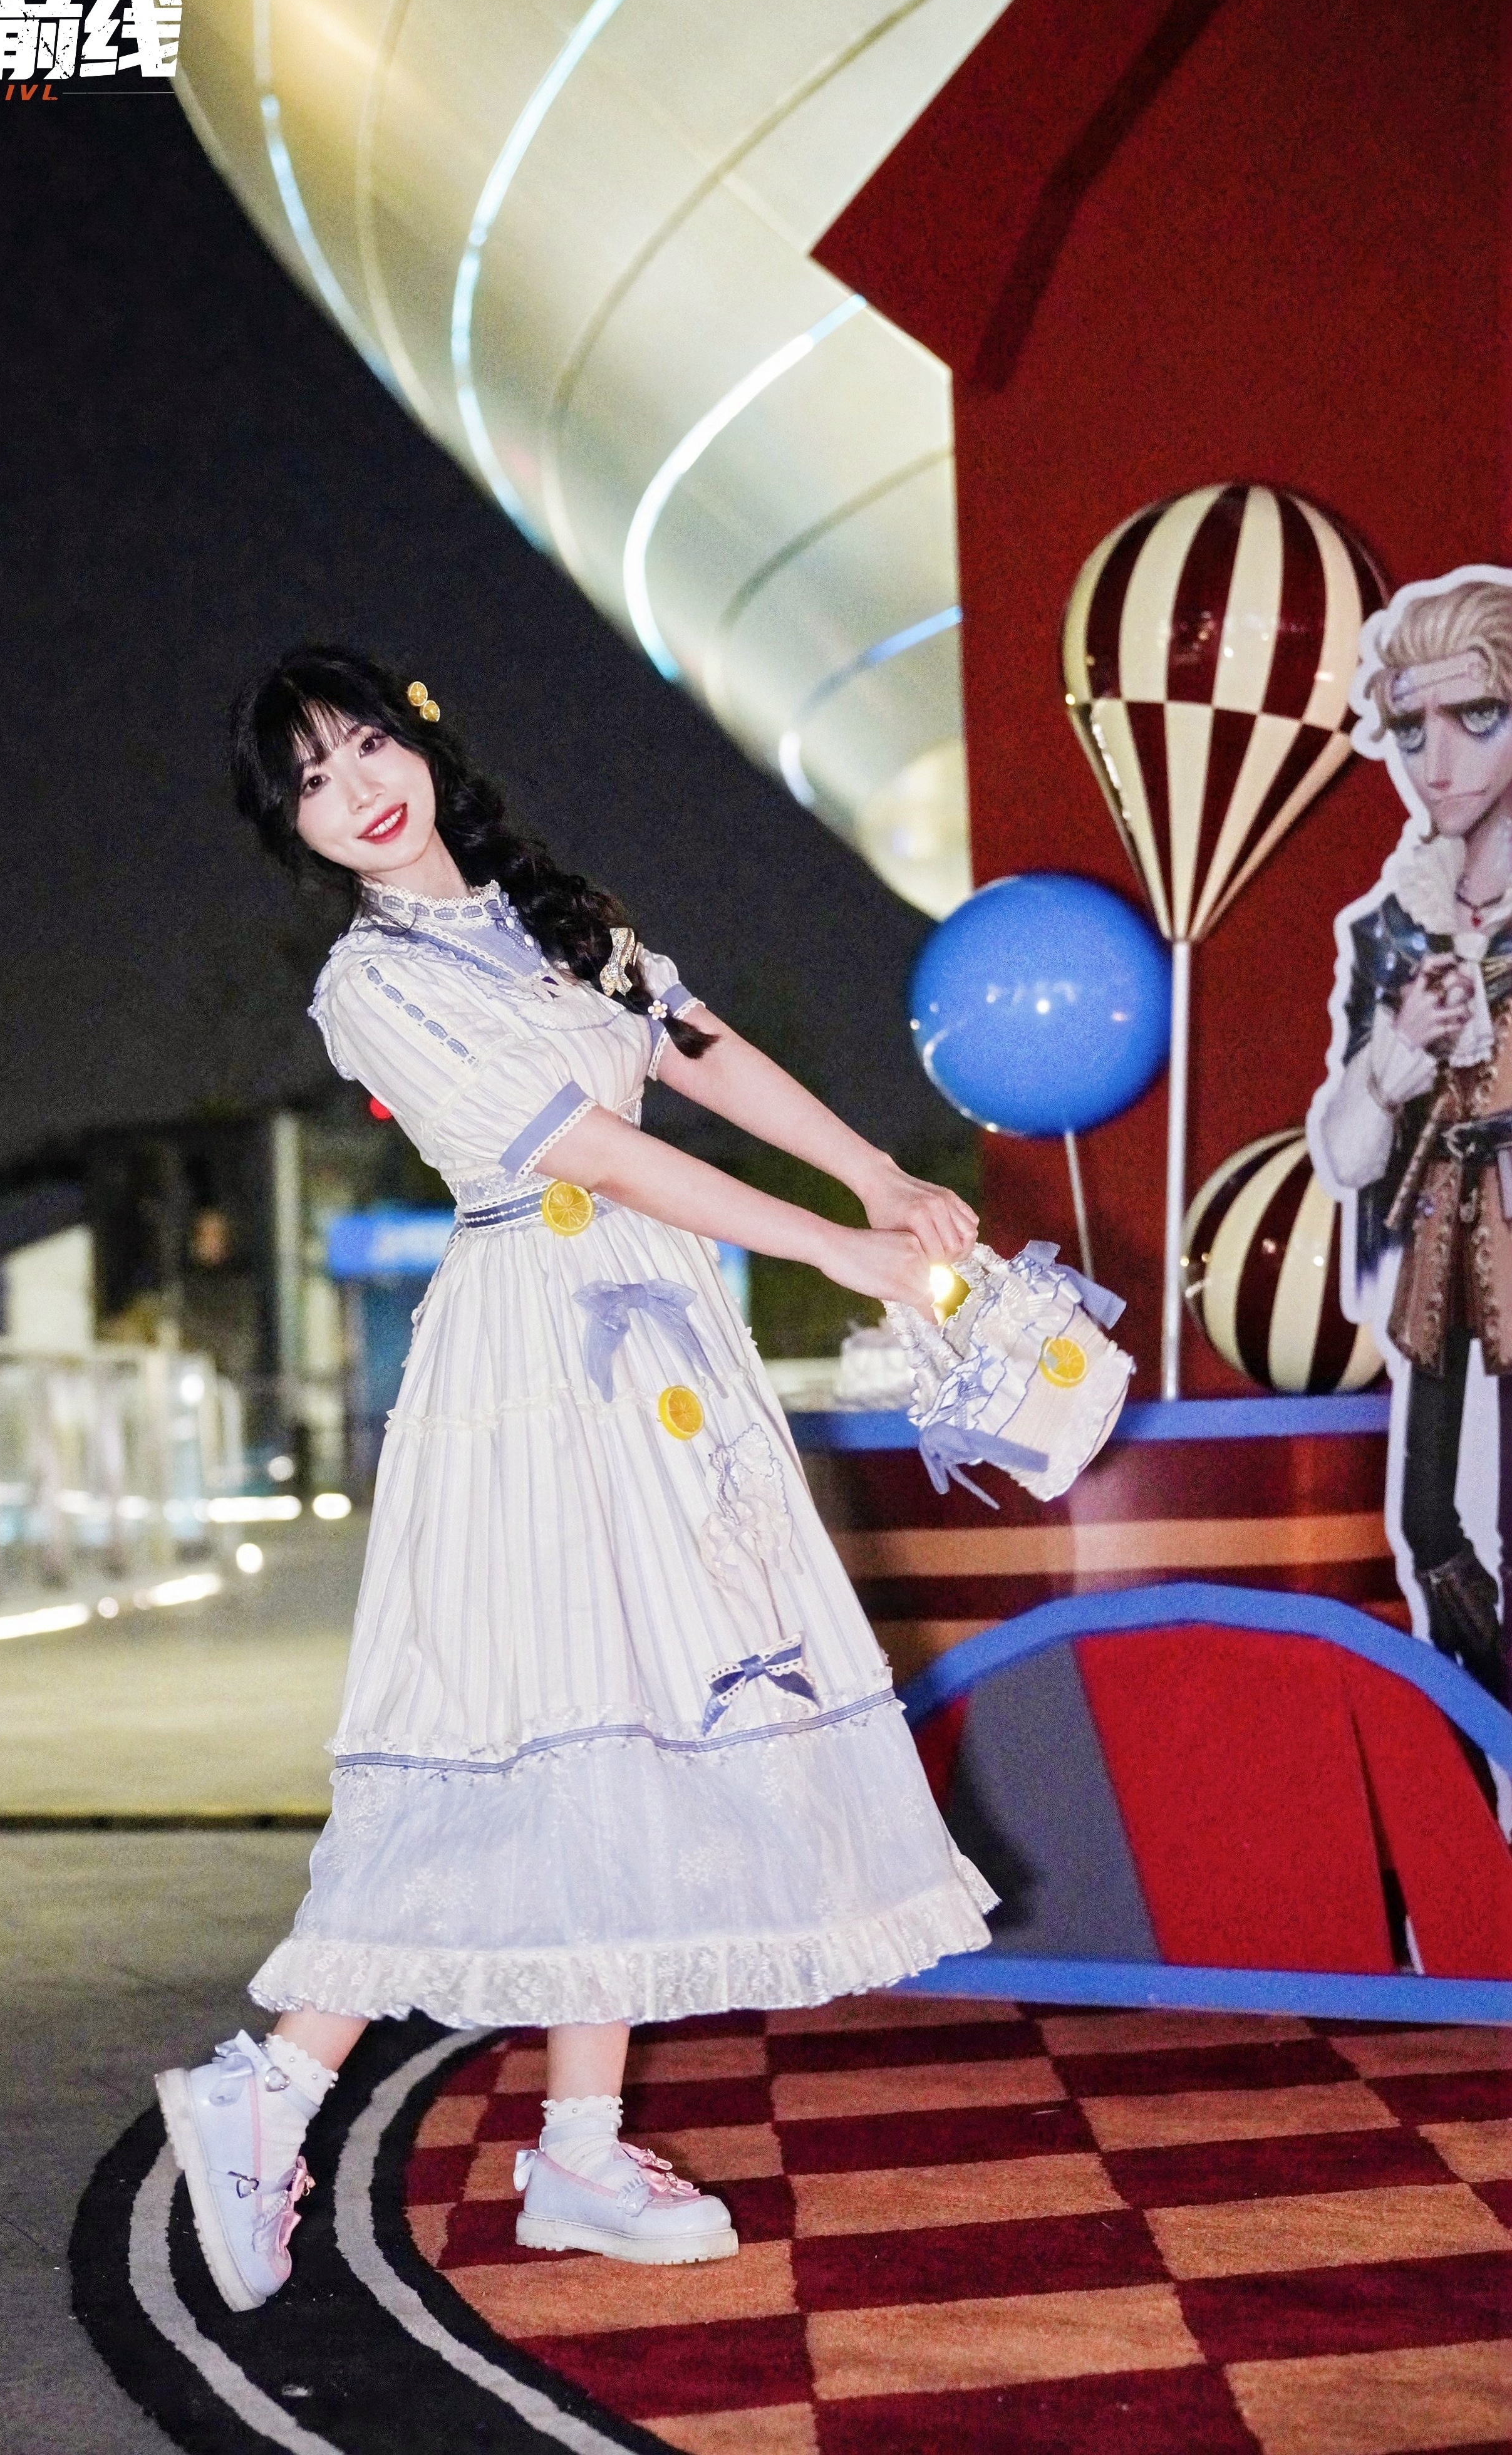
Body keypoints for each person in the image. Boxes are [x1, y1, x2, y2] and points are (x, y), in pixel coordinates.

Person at [155, 646, 997, 2310]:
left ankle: (579, 2150)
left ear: (420, 737)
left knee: (633, 1715)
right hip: (535, 1354)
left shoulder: (551, 910)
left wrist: (877, 1173)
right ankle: (275, 2083)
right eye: (311, 781)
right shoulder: (368, 982)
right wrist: (835, 1246)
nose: (356, 790)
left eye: (365, 745)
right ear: (292, 827)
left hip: (648, 1338)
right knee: (517, 1708)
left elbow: (696, 1044)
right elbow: (592, 1148)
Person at [1314, 574, 1512, 1713]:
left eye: (1476, 716)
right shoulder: (1391, 922)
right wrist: (1397, 1045)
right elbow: (1346, 1155)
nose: (1436, 763)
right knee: (1429, 1524)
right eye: (1410, 728)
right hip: (1432, 1235)